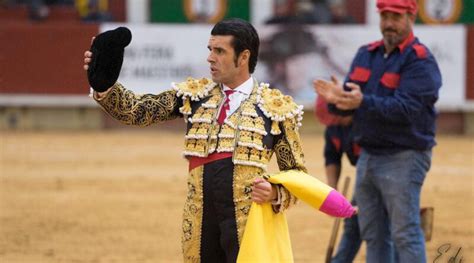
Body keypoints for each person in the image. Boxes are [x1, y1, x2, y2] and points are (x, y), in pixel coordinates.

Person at [84, 18, 354, 262]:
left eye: (220, 51)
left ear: (243, 56)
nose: (210, 58)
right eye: (210, 50)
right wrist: (105, 85)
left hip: (247, 225)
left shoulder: (275, 108)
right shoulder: (194, 96)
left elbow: (297, 174)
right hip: (200, 222)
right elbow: (137, 111)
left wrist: (276, 194)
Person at [313, 0, 442, 261]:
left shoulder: (420, 61)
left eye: (396, 17)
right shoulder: (366, 53)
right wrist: (340, 99)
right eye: (385, 16)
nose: (389, 24)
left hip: (404, 156)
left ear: (411, 17)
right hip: (368, 156)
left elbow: (408, 109)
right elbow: (353, 100)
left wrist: (361, 102)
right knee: (373, 233)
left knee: (404, 233)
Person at [315, 96, 362, 262]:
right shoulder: (334, 128)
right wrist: (332, 194)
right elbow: (332, 157)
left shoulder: (365, 120)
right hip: (366, 173)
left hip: (381, 171)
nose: (336, 121)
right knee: (354, 223)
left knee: (378, 224)